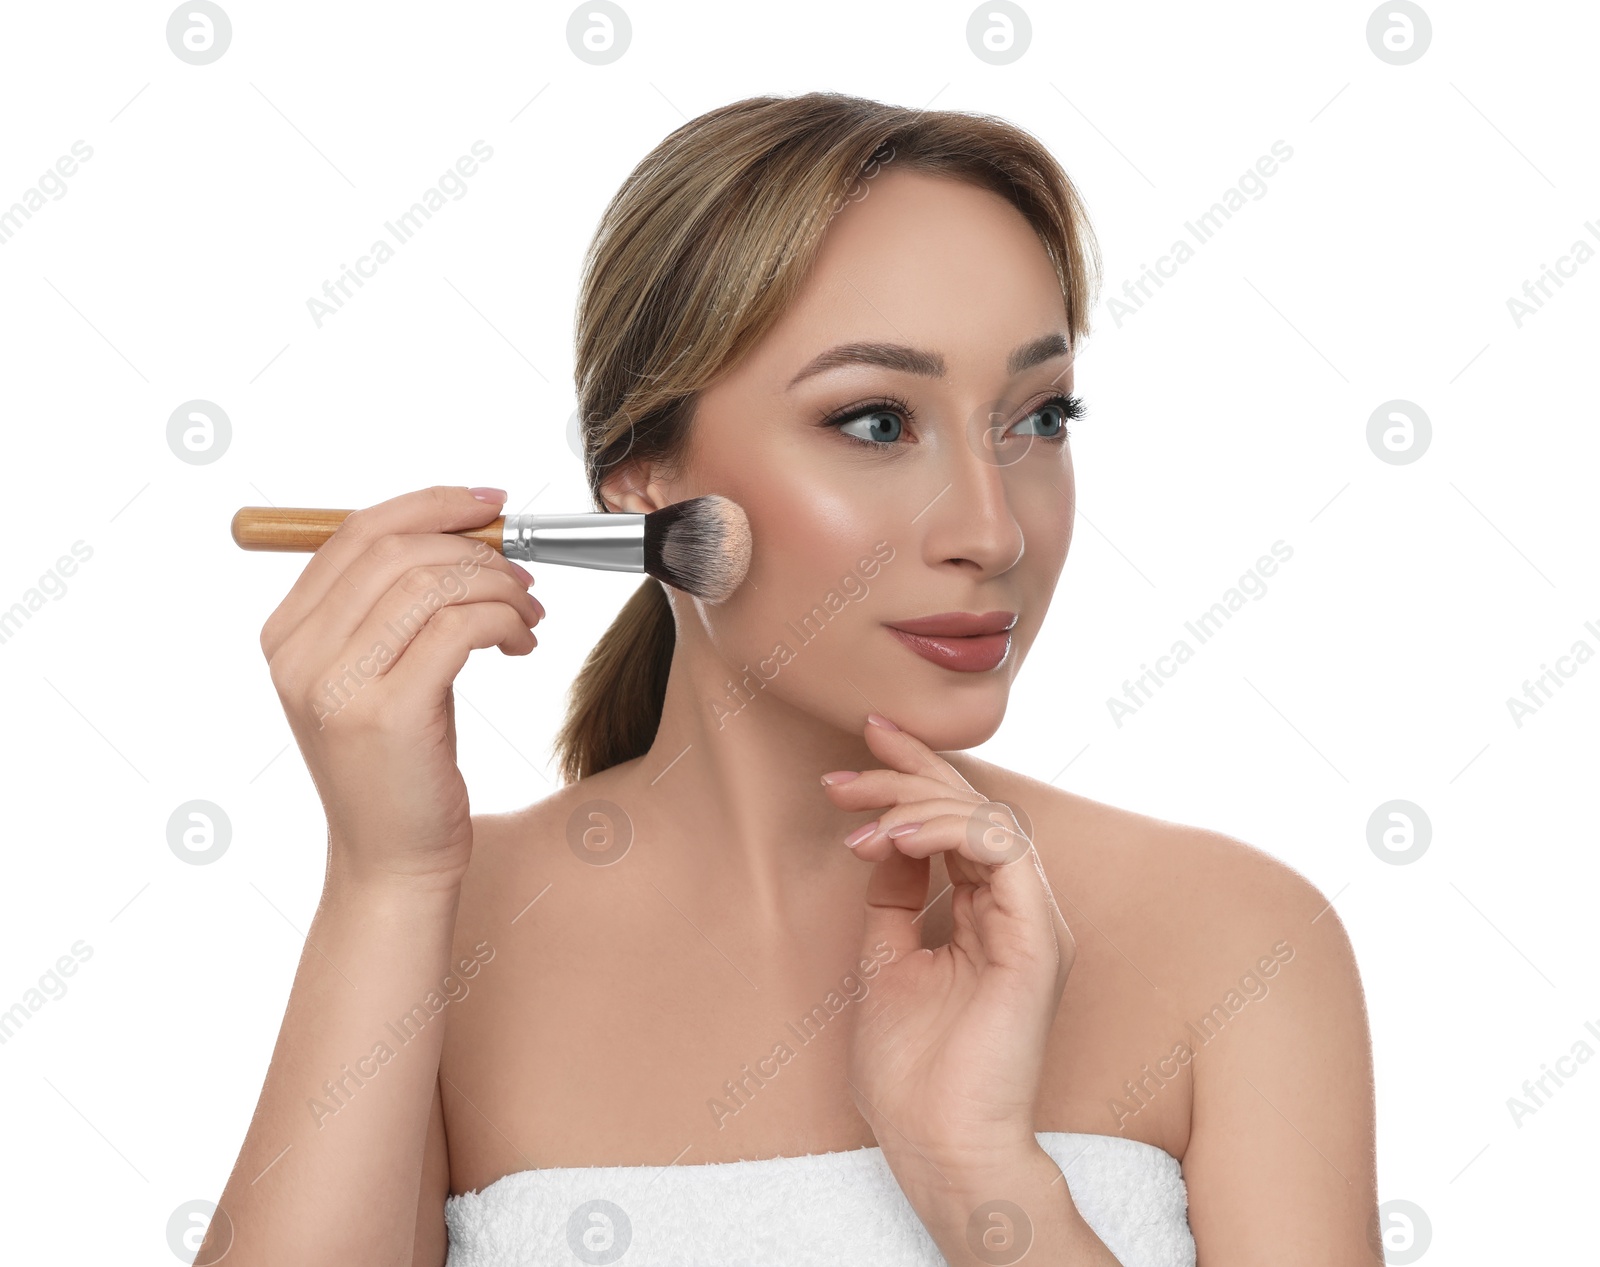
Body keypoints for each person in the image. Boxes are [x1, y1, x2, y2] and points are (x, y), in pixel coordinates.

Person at [206, 92, 1378, 1266]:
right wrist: (387, 879)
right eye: (875, 422)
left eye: (1037, 416)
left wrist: (979, 1177)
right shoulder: (440, 932)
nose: (991, 528)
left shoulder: (1238, 941)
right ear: (642, 473)